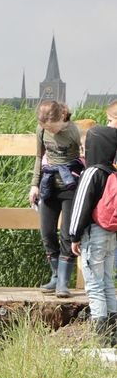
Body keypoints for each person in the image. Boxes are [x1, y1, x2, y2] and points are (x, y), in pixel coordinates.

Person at [29, 100, 83, 298]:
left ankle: (63, 282)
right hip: (48, 185)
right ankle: (54, 275)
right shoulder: (41, 130)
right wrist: (34, 184)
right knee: (46, 231)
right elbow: (38, 156)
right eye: (45, 127)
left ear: (62, 118)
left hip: (70, 187)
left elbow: (85, 158)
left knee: (67, 234)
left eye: (52, 127)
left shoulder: (73, 132)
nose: (49, 130)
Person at [69, 125, 117, 345]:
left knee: (94, 285)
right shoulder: (112, 172)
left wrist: (74, 236)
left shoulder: (92, 172)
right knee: (107, 282)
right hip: (110, 235)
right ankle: (114, 332)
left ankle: (101, 338)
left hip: (94, 235)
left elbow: (81, 207)